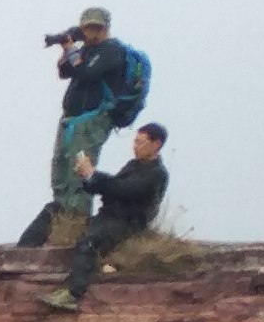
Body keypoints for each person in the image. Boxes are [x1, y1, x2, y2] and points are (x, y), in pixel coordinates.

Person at [24, 8, 150, 246]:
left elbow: (87, 71)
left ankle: (76, 226)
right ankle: (63, 221)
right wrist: (66, 49)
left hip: (91, 121)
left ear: (104, 27)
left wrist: (72, 50)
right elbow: (66, 72)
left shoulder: (112, 51)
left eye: (94, 27)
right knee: (61, 169)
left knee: (79, 172)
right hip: (72, 119)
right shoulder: (88, 50)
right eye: (86, 27)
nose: (89, 32)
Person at [44, 123, 170, 310]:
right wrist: (88, 178)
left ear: (156, 144)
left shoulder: (157, 174)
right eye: (135, 142)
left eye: (141, 143)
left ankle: (73, 295)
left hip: (128, 222)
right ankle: (28, 251)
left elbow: (125, 189)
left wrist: (94, 175)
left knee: (89, 244)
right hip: (108, 216)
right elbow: (113, 187)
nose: (135, 146)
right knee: (51, 214)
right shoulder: (133, 165)